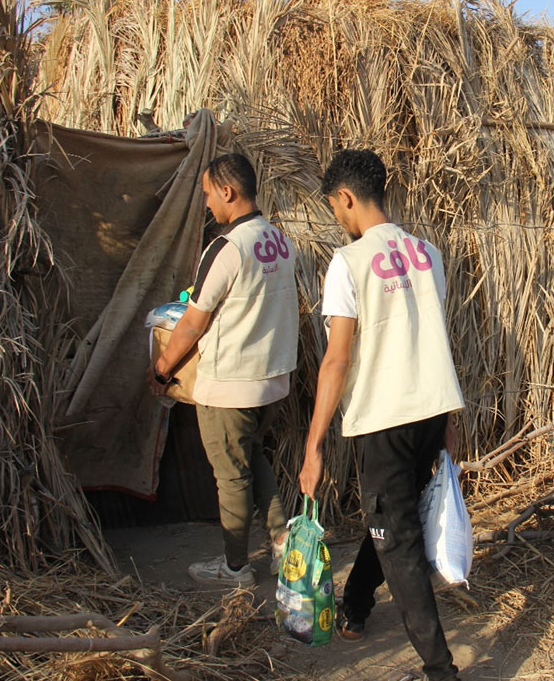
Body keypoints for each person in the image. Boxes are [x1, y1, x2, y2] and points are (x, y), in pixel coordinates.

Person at [299, 149, 463, 681]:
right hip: (431, 412)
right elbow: (437, 338)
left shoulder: (348, 263)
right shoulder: (428, 254)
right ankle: (358, 606)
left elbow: (338, 358)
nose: (337, 218)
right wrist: (451, 424)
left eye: (335, 208)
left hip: (385, 420)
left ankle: (441, 670)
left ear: (345, 198)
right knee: (392, 519)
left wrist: (315, 442)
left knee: (401, 541)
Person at [149, 152, 299, 588]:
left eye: (209, 195)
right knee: (254, 457)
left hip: (230, 384)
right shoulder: (279, 240)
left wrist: (162, 369)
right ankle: (282, 544)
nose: (207, 205)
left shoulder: (226, 247)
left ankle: (235, 569)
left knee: (231, 475)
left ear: (229, 193)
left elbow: (194, 320)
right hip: (271, 382)